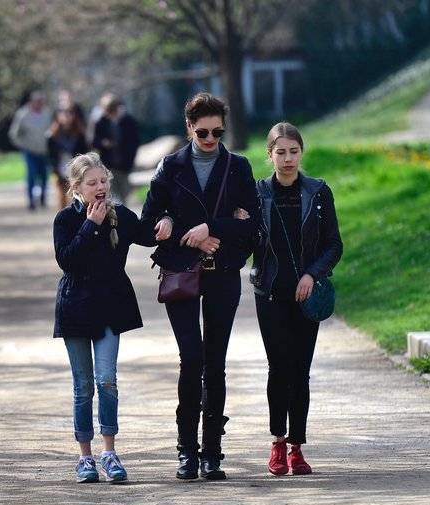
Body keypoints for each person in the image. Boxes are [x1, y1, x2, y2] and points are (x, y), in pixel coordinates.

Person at [140, 92, 259, 481]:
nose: (211, 139)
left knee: (216, 364)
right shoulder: (170, 167)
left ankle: (212, 454)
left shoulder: (238, 167)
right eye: (203, 132)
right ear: (189, 127)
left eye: (218, 132)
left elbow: (252, 228)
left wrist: (214, 228)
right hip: (181, 272)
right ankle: (185, 451)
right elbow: (148, 224)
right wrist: (175, 227)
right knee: (191, 359)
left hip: (223, 273)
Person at [54, 152, 173, 483]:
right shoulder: (65, 219)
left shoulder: (119, 215)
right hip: (75, 308)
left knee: (106, 380)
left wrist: (166, 223)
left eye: (103, 181)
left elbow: (148, 233)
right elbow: (68, 260)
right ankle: (85, 458)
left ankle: (110, 451)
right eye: (92, 183)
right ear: (77, 188)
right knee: (82, 387)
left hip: (109, 308)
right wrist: (91, 226)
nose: (100, 187)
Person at [250, 122, 343, 476]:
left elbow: (334, 244)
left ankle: (297, 448)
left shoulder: (318, 192)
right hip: (270, 293)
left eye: (294, 152)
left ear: (301, 153)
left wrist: (311, 273)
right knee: (279, 368)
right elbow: (249, 245)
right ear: (269, 155)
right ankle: (277, 442)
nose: (287, 159)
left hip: (306, 295)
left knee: (300, 372)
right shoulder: (258, 193)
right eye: (280, 152)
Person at [93, 95, 140, 206]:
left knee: (124, 193)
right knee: (111, 193)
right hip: (108, 164)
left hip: (124, 164)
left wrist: (130, 159)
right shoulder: (101, 122)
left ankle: (122, 217)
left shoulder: (128, 121)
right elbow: (95, 141)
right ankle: (113, 217)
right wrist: (103, 143)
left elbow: (134, 142)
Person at [9, 90, 51, 209]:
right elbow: (14, 134)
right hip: (29, 151)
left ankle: (43, 199)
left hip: (43, 151)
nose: (39, 104)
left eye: (41, 102)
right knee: (32, 176)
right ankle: (31, 201)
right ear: (32, 102)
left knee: (44, 176)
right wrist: (22, 145)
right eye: (37, 102)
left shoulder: (45, 114)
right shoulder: (23, 114)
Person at [47, 108, 90, 210]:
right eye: (63, 113)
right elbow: (50, 155)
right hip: (59, 168)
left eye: (69, 113)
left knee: (74, 197)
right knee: (60, 198)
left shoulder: (80, 134)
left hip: (75, 169)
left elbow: (85, 153)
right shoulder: (53, 135)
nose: (66, 116)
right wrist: (53, 169)